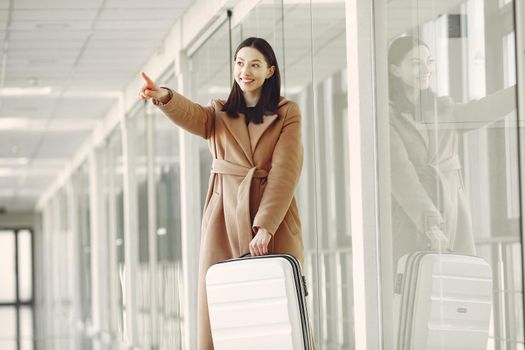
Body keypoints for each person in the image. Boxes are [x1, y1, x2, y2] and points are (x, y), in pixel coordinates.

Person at [139, 37, 305, 350]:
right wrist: (162, 95)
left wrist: (266, 226)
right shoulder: (219, 112)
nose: (246, 71)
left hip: (272, 218)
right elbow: (192, 115)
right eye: (240, 63)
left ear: (270, 71)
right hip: (223, 217)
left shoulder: (287, 112)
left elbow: (285, 171)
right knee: (221, 305)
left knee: (274, 310)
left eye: (255, 64)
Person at [388, 36, 516, 264]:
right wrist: (430, 223)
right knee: (417, 286)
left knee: (460, 285)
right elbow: (402, 177)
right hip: (411, 216)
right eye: (416, 63)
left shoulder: (443, 109)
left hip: (452, 209)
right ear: (395, 70)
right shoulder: (388, 118)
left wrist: (517, 92)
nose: (426, 69)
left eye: (430, 61)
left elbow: (482, 110)